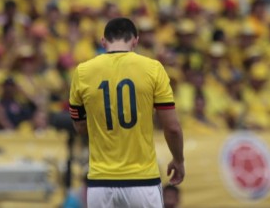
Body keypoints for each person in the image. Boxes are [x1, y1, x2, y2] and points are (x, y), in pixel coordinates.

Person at [69, 17, 184, 208]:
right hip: (142, 180)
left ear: (103, 41)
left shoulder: (82, 72)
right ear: (135, 41)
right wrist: (178, 160)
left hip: (100, 183)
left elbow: (80, 126)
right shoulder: (153, 69)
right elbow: (172, 127)